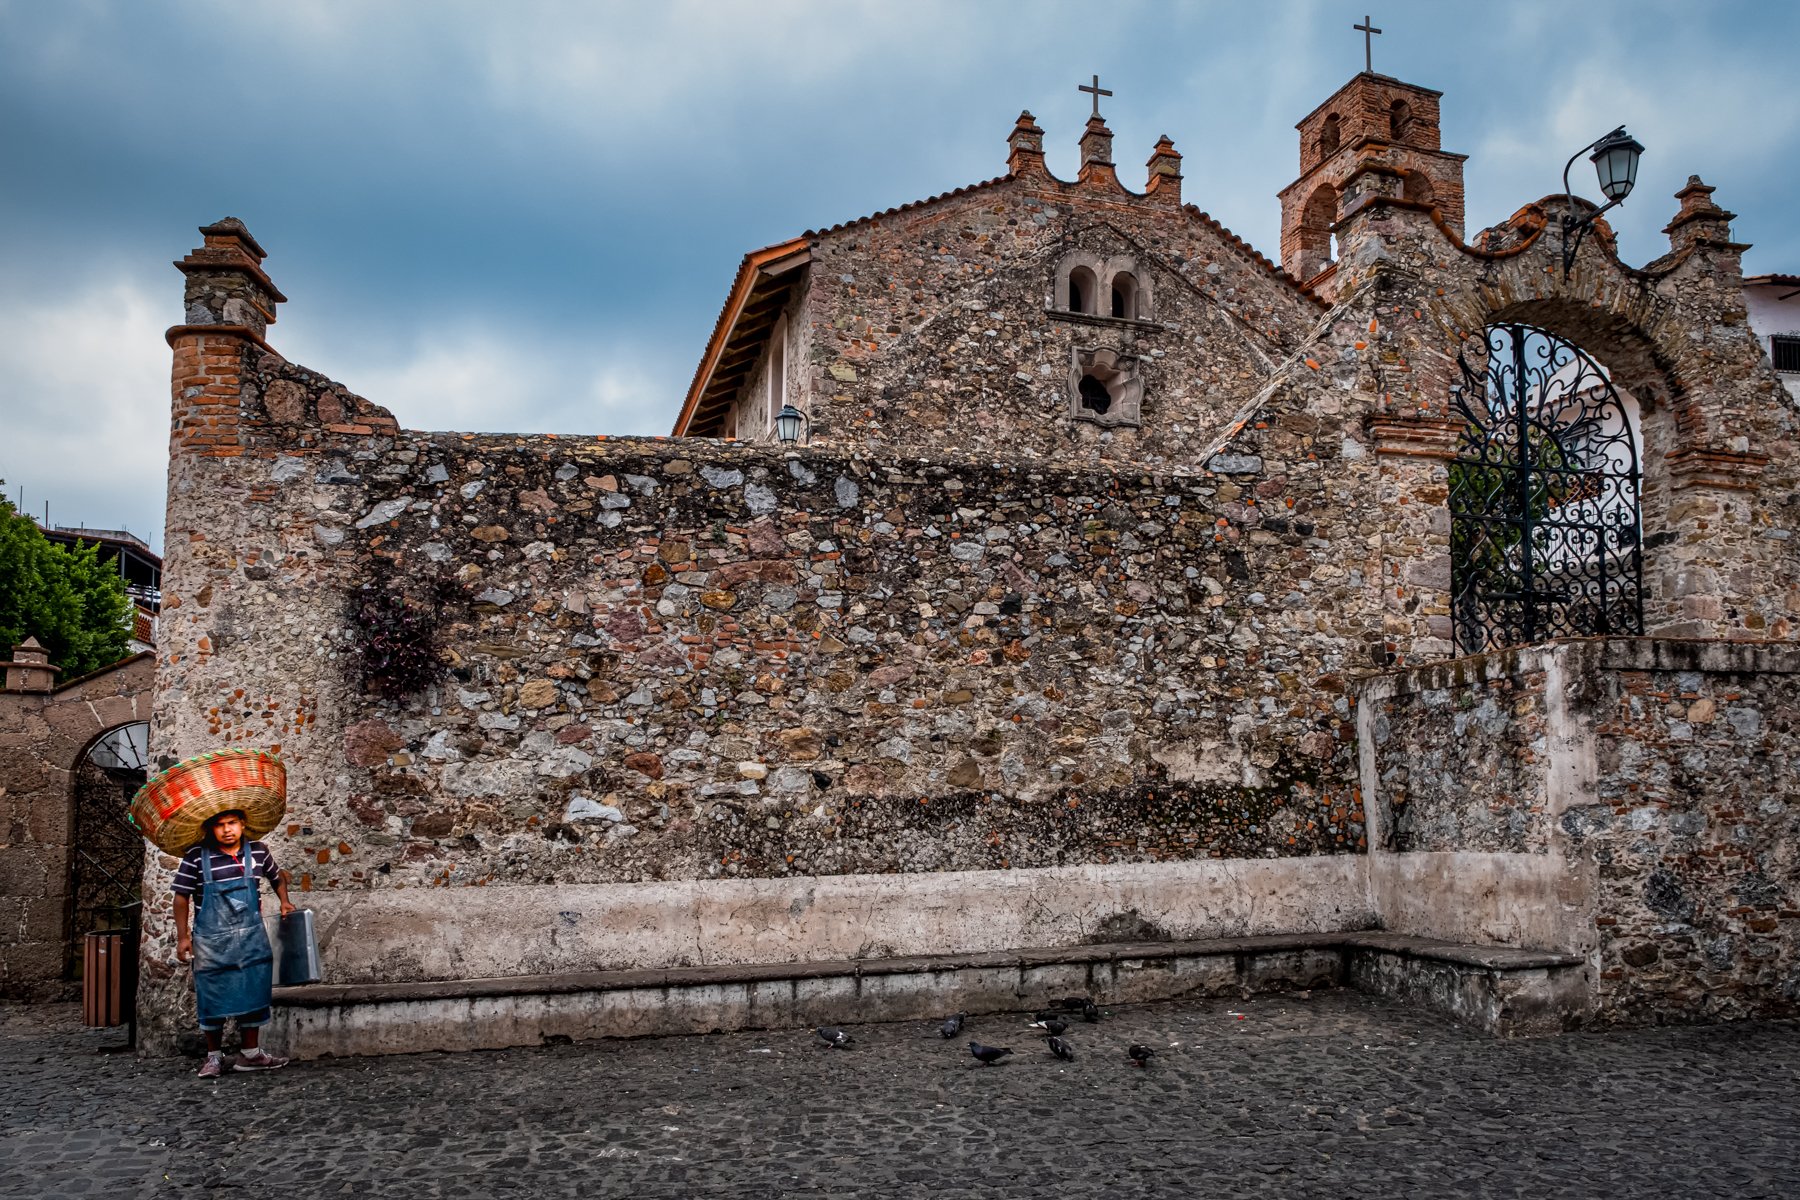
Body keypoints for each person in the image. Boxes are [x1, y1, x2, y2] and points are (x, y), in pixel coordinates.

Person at [172, 809, 296, 1078]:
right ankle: (214, 1057)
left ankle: (250, 1054)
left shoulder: (259, 852)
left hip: (251, 940)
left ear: (242, 824)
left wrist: (284, 901)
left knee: (254, 992)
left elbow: (277, 878)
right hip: (211, 943)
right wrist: (183, 937)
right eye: (220, 825)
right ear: (210, 829)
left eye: (232, 823)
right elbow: (181, 897)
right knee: (211, 996)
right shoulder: (196, 857)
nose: (227, 830)